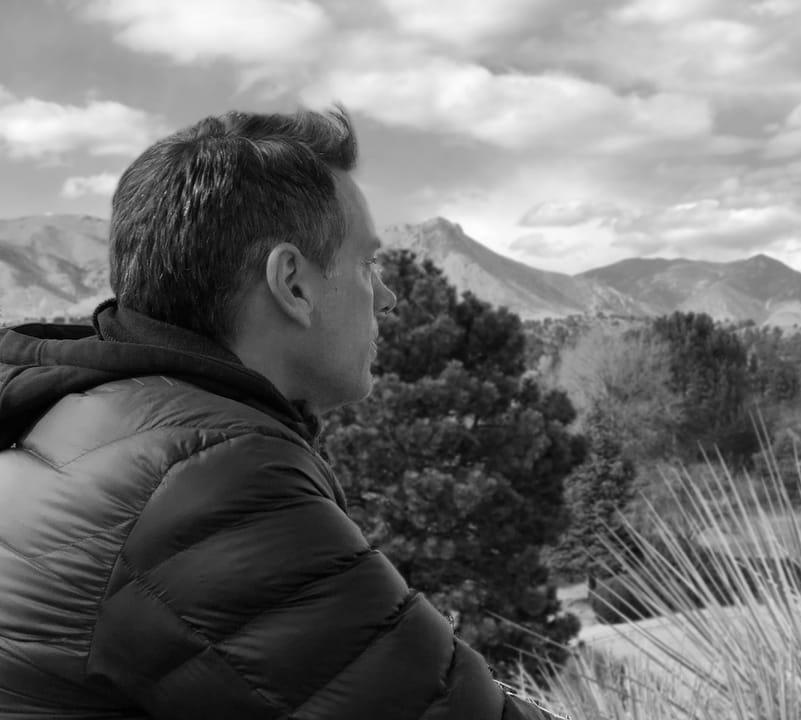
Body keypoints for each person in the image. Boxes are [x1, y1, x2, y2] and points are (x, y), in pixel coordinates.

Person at [0, 106, 556, 719]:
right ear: (292, 283)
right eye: (368, 265)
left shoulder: (87, 414)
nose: (389, 297)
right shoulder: (210, 482)